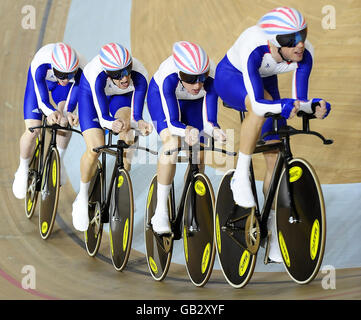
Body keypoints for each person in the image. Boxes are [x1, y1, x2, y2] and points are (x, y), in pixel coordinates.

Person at [214, 7, 331, 262]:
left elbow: (298, 101)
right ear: (274, 41)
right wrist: (282, 105)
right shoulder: (253, 44)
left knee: (275, 153)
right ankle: (240, 177)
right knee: (261, 109)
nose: (300, 44)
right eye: (292, 39)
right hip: (231, 77)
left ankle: (269, 223)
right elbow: (257, 103)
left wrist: (314, 105)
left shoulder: (304, 52)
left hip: (265, 80)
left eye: (302, 34)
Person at [147, 41, 226, 234]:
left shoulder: (211, 76)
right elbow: (173, 122)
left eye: (202, 78)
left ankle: (193, 200)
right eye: (191, 79)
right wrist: (186, 130)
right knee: (172, 144)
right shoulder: (168, 76)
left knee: (199, 153)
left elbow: (209, 120)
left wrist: (214, 129)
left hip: (193, 102)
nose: (198, 84)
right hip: (162, 99)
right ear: (181, 74)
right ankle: (161, 211)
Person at [71, 42, 152, 232]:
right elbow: (102, 116)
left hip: (120, 98)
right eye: (117, 74)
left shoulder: (140, 75)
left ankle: (122, 181)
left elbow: (136, 115)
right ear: (108, 73)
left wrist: (138, 123)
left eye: (126, 71)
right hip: (91, 98)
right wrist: (110, 124)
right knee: (95, 147)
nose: (124, 77)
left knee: (128, 134)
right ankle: (81, 197)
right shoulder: (95, 74)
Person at [13, 42, 86, 199]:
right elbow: (41, 100)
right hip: (40, 85)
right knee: (34, 130)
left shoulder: (81, 68)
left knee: (64, 122)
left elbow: (73, 98)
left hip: (63, 91)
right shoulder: (40, 62)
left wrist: (66, 113)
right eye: (62, 74)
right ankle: (23, 168)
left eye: (70, 75)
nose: (66, 79)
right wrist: (50, 112)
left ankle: (58, 160)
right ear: (54, 66)